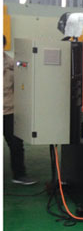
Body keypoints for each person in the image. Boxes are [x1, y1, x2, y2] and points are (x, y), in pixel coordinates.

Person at [4, 36, 36, 185]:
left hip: (8, 111)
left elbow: (22, 84)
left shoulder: (12, 64)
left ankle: (19, 174)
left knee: (16, 143)